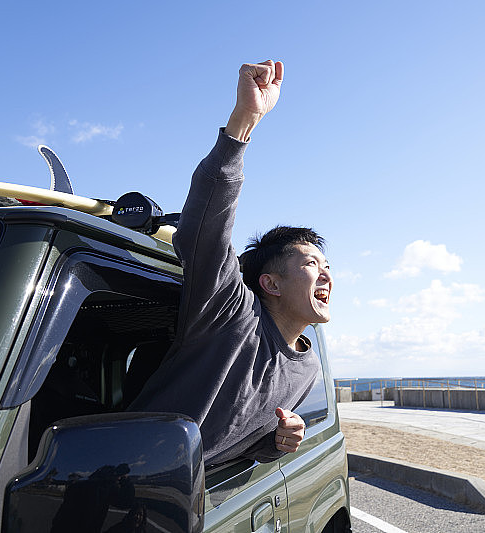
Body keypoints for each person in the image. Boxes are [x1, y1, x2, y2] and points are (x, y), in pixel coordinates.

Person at [129, 60, 332, 466]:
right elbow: (204, 230)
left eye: (327, 266)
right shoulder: (229, 312)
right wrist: (244, 122)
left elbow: (242, 442)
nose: (326, 274)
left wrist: (276, 443)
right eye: (311, 262)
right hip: (130, 476)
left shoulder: (309, 366)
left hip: (192, 500)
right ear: (270, 283)